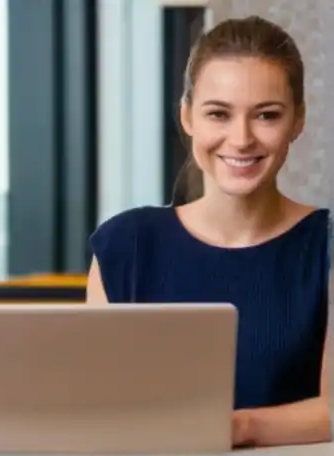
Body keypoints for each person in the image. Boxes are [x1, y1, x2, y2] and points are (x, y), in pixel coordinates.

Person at [87, 15, 331, 448]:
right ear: (187, 117)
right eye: (218, 113)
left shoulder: (326, 245)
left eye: (267, 115)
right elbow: (99, 402)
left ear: (298, 121)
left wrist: (237, 427)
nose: (240, 139)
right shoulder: (126, 245)